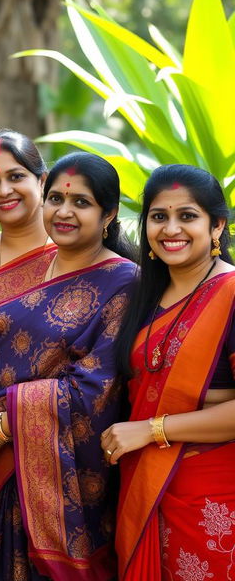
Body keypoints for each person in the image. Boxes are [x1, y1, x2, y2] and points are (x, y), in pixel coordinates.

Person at [0, 149, 137, 580]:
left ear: (109, 214)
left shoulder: (123, 280)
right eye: (56, 200)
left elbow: (96, 388)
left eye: (81, 202)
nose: (64, 212)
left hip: (62, 477)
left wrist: (2, 427)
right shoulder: (21, 269)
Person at [102, 164, 235, 581]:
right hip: (143, 491)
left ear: (217, 226)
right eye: (159, 216)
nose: (170, 228)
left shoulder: (231, 293)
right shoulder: (142, 295)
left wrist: (150, 429)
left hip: (214, 499)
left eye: (187, 216)